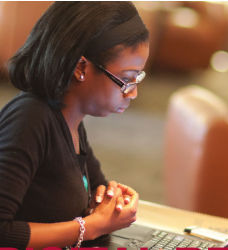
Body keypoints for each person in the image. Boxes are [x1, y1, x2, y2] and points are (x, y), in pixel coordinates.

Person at [0, 2, 149, 249]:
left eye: (137, 79)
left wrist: (112, 200)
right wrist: (91, 228)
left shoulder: (71, 121)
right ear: (80, 68)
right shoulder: (30, 118)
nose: (132, 93)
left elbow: (96, 190)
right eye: (126, 80)